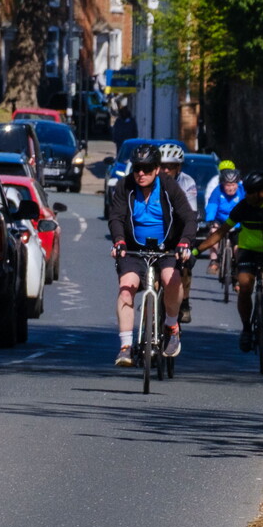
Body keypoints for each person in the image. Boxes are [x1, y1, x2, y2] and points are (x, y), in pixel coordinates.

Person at [106, 143, 197, 366]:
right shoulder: (124, 186)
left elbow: (189, 217)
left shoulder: (168, 186)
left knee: (171, 279)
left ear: (157, 169)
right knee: (126, 289)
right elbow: (116, 217)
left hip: (166, 248)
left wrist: (184, 243)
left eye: (147, 169)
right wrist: (119, 241)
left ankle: (172, 327)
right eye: (137, 168)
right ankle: (126, 347)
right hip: (134, 249)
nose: (141, 174)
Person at [194, 169, 263, 350]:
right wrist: (196, 251)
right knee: (244, 285)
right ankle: (246, 329)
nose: (249, 195)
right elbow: (220, 233)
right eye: (247, 191)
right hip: (248, 251)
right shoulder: (242, 207)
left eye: (253, 191)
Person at [158, 143, 198, 323]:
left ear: (178, 167)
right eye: (162, 165)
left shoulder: (187, 182)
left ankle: (185, 303)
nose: (165, 170)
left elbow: (190, 214)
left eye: (170, 166)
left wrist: (185, 242)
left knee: (185, 265)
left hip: (180, 231)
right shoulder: (152, 180)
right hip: (158, 231)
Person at [204, 167, 245, 275]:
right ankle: (214, 261)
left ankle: (237, 267)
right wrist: (210, 220)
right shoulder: (217, 191)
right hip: (220, 220)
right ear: (222, 184)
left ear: (237, 183)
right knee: (213, 233)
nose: (231, 188)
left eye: (233, 185)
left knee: (238, 245)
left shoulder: (242, 191)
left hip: (237, 222)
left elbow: (248, 206)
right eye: (228, 185)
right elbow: (212, 206)